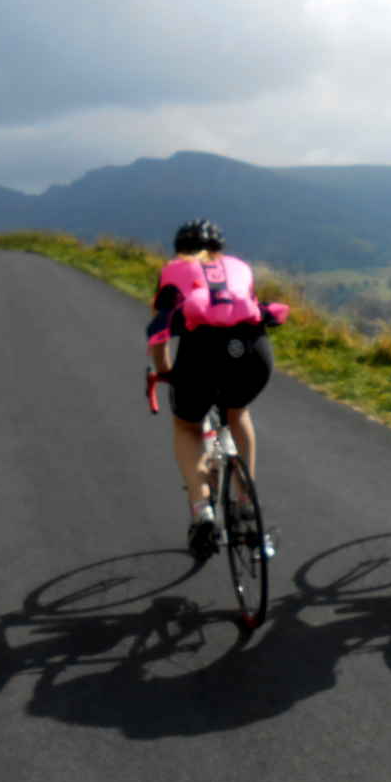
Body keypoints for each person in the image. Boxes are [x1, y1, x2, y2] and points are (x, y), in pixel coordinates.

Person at [147, 218, 283, 560]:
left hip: (201, 353)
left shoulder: (173, 270)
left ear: (180, 248)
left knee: (186, 425)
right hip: (254, 352)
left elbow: (159, 332)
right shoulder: (240, 267)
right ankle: (246, 500)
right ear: (220, 248)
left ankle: (202, 510)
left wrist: (164, 371)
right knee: (238, 412)